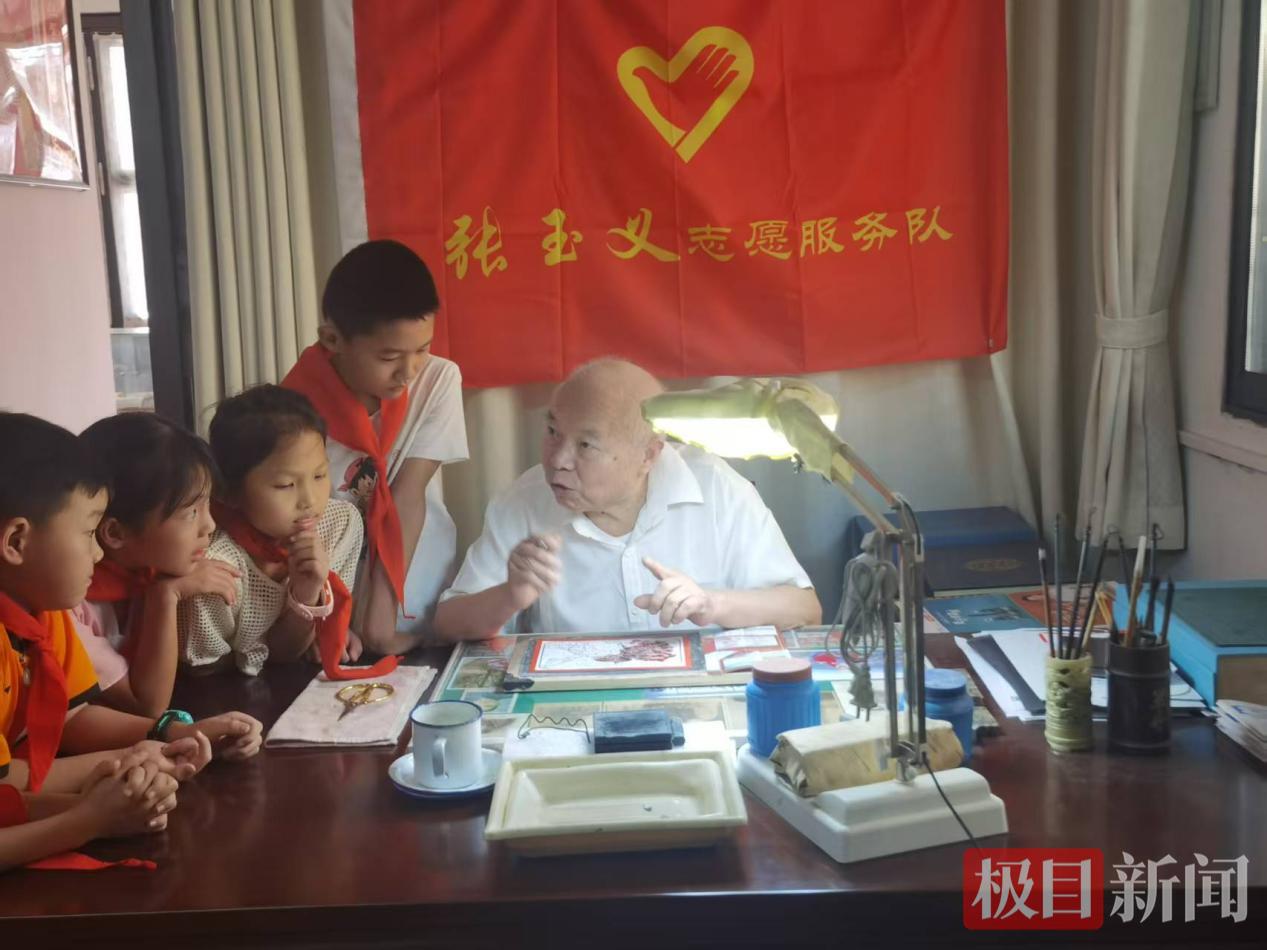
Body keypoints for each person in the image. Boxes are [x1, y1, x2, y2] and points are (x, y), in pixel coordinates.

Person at [433, 359, 821, 640]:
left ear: (648, 455)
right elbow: (447, 625)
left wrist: (711, 604)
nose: (558, 459)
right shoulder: (523, 502)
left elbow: (805, 609)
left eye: (585, 445)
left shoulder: (715, 487)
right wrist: (508, 596)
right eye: (553, 432)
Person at [0, 414, 228, 867]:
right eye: (89, 532)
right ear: (17, 541)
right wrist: (87, 820)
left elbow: (73, 716)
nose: (99, 552)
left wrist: (165, 740)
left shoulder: (41, 612)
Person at [282, 240, 469, 654]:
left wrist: (380, 625)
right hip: (329, 605)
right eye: (389, 357)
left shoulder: (437, 381)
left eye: (422, 349)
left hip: (411, 592)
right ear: (332, 339)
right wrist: (322, 618)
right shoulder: (289, 409)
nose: (409, 371)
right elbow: (290, 523)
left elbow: (407, 494)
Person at [180, 386, 396, 682]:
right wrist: (307, 604)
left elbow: (298, 646)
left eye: (319, 475)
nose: (310, 500)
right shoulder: (216, 567)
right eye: (285, 485)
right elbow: (207, 668)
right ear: (229, 492)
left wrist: (314, 606)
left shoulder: (340, 525)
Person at [75, 414, 242, 718]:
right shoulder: (69, 605)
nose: (209, 525)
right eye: (191, 513)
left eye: (207, 505)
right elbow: (147, 704)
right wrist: (165, 596)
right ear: (115, 533)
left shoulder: (151, 567)